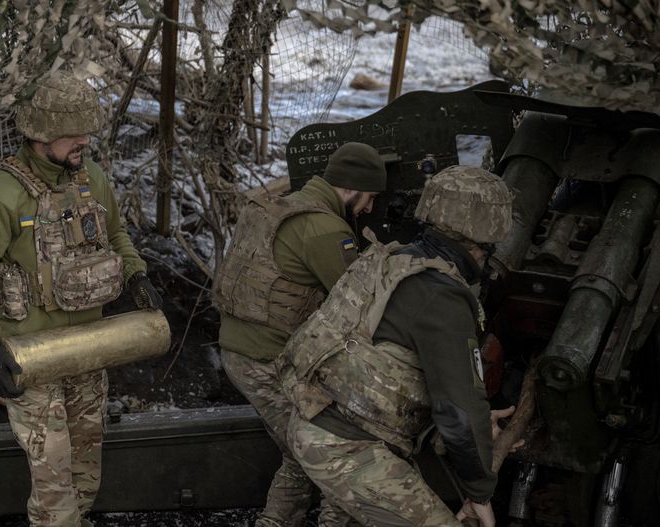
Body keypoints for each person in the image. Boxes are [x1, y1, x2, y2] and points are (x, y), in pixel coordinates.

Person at [0, 70, 162, 527]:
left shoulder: (91, 179)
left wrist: (136, 274)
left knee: (86, 467)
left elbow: (117, 235)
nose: (82, 141)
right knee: (53, 480)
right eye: (71, 134)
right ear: (41, 135)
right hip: (34, 359)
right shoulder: (1, 197)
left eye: (86, 131)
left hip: (90, 350)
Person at [278, 165, 517, 527]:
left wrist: (480, 426)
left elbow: (392, 365)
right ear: (483, 243)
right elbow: (458, 411)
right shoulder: (444, 297)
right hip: (346, 447)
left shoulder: (390, 259)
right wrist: (480, 492)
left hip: (312, 419)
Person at [212, 142, 387, 527]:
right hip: (268, 362)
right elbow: (356, 305)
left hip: (240, 351)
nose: (370, 209)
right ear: (350, 188)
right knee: (333, 453)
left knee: (302, 451)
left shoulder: (271, 206)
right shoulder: (326, 230)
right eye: (369, 198)